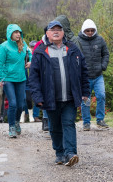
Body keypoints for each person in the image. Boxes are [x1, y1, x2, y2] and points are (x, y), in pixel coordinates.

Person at [29, 20, 90, 167]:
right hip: (50, 98)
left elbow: (84, 71)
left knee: (69, 123)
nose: (56, 32)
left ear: (63, 33)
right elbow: (34, 77)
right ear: (47, 33)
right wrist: (37, 97)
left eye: (59, 29)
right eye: (52, 29)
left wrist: (85, 91)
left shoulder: (73, 49)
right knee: (55, 126)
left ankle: (70, 153)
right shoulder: (40, 52)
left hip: (70, 97)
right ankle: (59, 153)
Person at [71, 19, 110, 131]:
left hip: (98, 75)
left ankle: (100, 119)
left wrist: (103, 66)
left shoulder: (100, 40)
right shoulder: (77, 41)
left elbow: (106, 54)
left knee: (101, 96)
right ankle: (86, 122)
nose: (90, 32)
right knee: (85, 100)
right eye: (87, 30)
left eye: (92, 30)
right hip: (85, 76)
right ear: (84, 30)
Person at [0, 24, 32, 138]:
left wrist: (30, 61)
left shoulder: (23, 44)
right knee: (13, 103)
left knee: (21, 104)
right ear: (10, 34)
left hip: (21, 78)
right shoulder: (4, 46)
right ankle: (11, 127)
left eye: (19, 32)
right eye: (15, 32)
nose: (18, 34)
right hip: (8, 78)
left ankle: (16, 122)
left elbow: (30, 54)